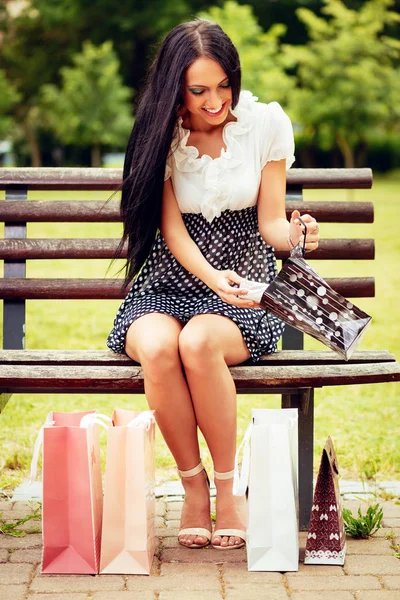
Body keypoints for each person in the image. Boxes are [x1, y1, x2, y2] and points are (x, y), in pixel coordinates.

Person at [107, 18, 320, 550]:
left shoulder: (265, 123)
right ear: (176, 86)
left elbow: (271, 223)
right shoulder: (158, 131)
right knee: (159, 345)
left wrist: (294, 233)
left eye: (224, 85)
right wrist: (209, 276)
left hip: (241, 286)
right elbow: (171, 229)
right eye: (199, 89)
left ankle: (228, 491)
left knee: (198, 341)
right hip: (167, 279)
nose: (215, 100)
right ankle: (192, 487)